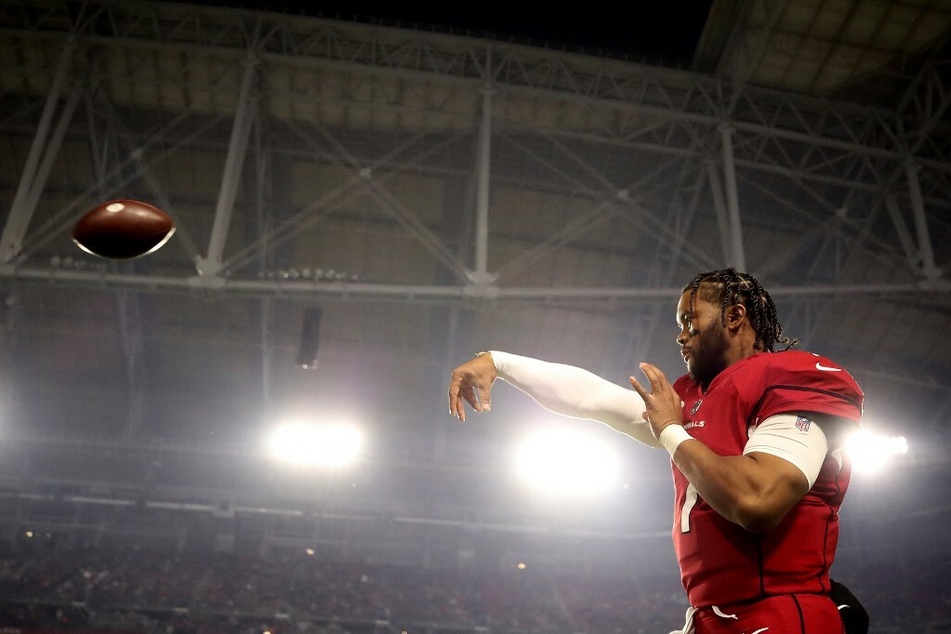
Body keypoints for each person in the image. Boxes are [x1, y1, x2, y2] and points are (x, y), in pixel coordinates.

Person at [447, 268, 865, 634]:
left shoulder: (794, 377)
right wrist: (498, 362)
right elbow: (594, 398)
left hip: (777, 613)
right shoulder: (697, 397)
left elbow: (758, 501)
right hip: (712, 616)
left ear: (735, 316)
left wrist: (670, 430)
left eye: (690, 320)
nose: (680, 336)